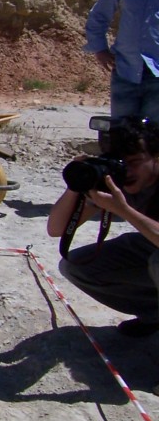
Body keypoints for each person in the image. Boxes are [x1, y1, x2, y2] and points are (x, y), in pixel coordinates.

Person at [47, 119, 159, 337]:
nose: (127, 171)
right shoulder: (117, 178)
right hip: (151, 240)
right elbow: (56, 228)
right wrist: (76, 184)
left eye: (135, 162)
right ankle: (155, 315)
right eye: (121, 163)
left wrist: (124, 210)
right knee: (76, 267)